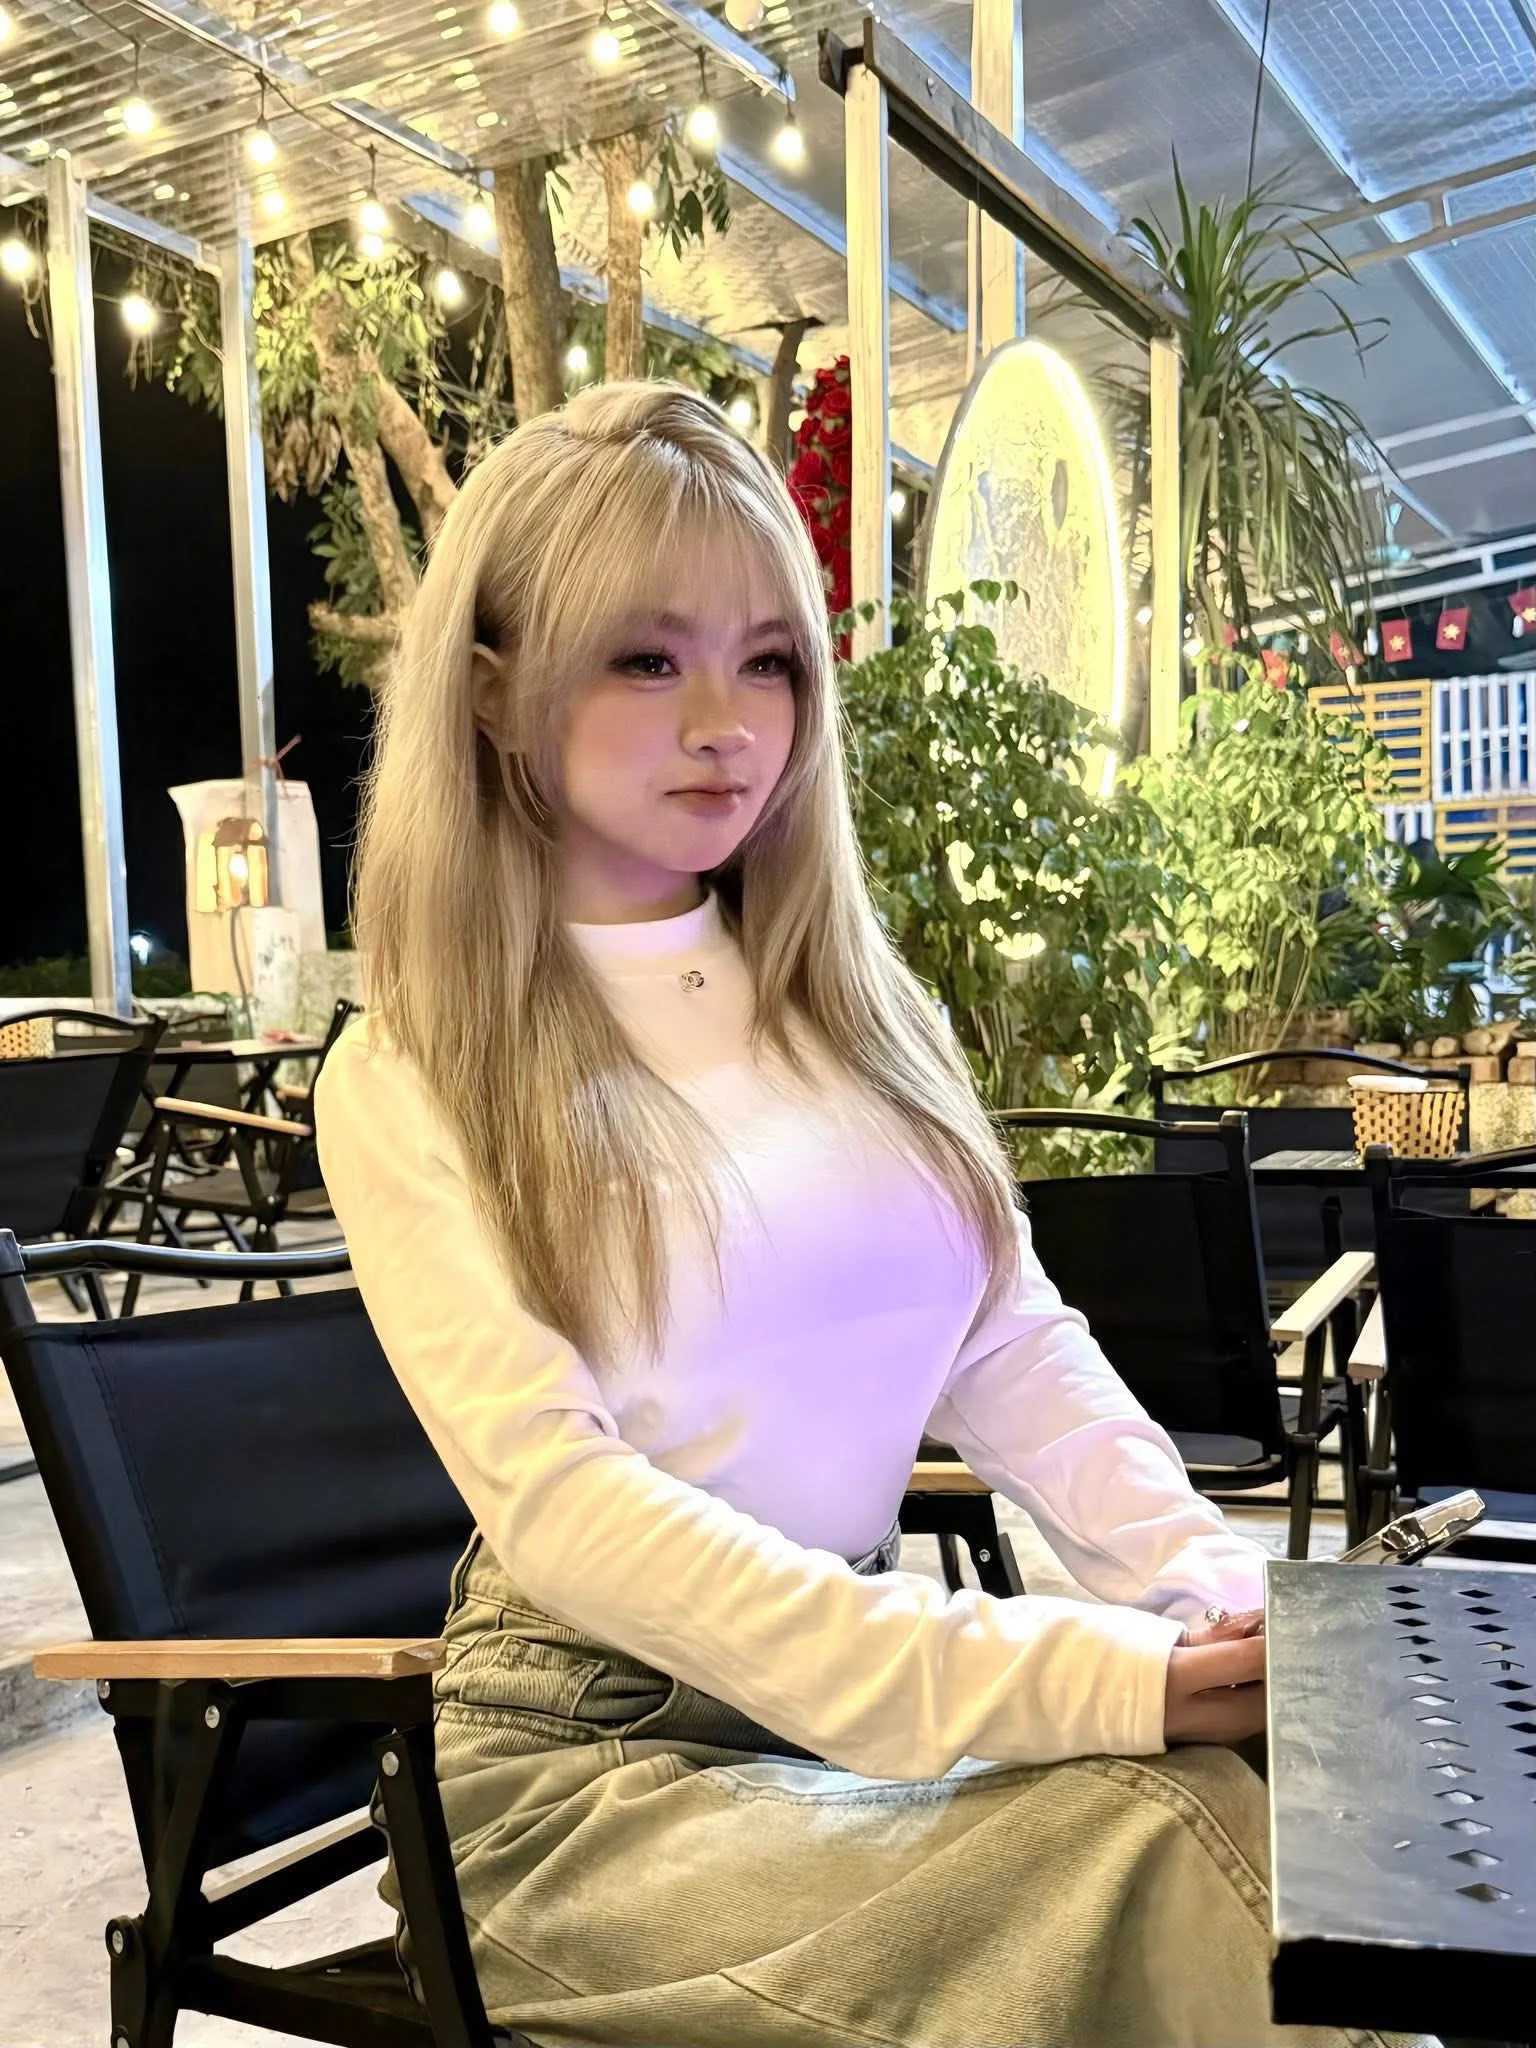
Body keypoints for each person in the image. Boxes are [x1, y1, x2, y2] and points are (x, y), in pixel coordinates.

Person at [316, 382, 1422, 2048]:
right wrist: (1085, 1673)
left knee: (1311, 1794)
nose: (727, 722)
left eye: (769, 660)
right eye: (647, 659)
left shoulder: (846, 1016)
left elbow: (1016, 1345)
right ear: (489, 689)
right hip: (589, 1781)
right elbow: (566, 1509)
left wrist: (1212, 1594)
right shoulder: (415, 1068)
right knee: (1185, 1854)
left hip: (842, 1716)